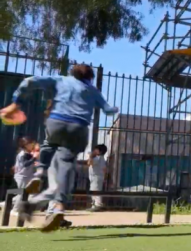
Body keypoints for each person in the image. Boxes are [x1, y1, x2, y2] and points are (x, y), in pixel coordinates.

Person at [2, 64, 119, 232]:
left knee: (49, 147)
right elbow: (108, 110)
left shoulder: (60, 80)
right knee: (65, 169)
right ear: (90, 78)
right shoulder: (92, 90)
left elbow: (29, 81)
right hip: (78, 128)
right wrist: (114, 109)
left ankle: (38, 176)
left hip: (56, 123)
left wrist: (15, 104)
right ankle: (57, 207)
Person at [10, 137, 38, 215]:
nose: (33, 145)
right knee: (22, 193)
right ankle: (15, 210)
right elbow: (25, 164)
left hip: (27, 176)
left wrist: (34, 163)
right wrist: (34, 158)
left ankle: (7, 202)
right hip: (22, 177)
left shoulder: (28, 153)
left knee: (25, 193)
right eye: (31, 144)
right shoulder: (22, 154)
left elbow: (29, 163)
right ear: (26, 145)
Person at [86, 144, 108, 212]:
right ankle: (95, 205)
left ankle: (98, 205)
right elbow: (104, 169)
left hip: (96, 177)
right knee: (95, 191)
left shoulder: (98, 158)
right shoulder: (101, 158)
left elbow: (89, 163)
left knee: (95, 191)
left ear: (100, 151)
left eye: (96, 150)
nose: (94, 151)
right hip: (97, 177)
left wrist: (90, 156)